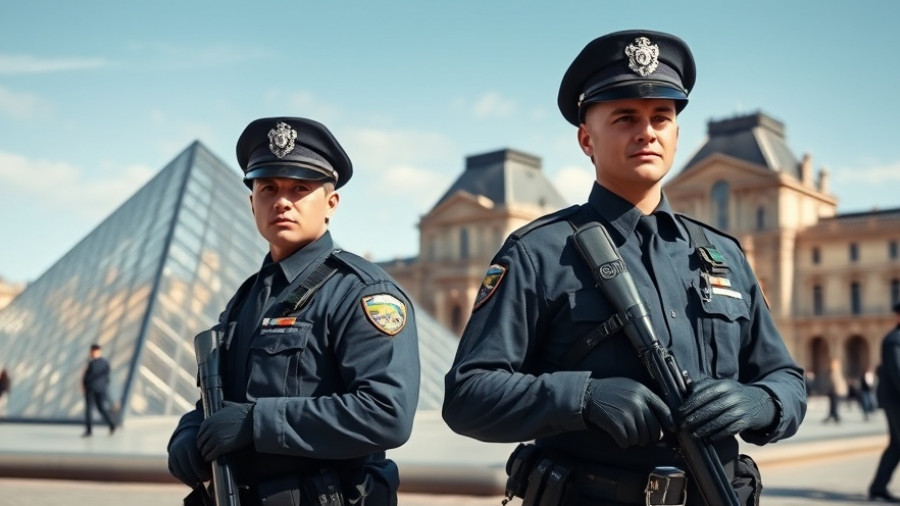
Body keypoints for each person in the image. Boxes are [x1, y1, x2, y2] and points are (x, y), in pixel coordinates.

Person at [443, 30, 807, 506]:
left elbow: (787, 378)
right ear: (586, 139)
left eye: (662, 116)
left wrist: (761, 403)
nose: (647, 131)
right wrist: (582, 399)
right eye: (625, 117)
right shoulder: (538, 253)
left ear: (676, 133)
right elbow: (469, 396)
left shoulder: (724, 253)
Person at [166, 117, 420, 505]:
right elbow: (223, 398)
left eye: (300, 188)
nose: (281, 201)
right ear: (253, 203)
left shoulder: (361, 292)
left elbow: (387, 413)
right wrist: (190, 429)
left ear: (331, 204)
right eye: (268, 188)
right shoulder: (247, 296)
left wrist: (257, 423)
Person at [868, 302, 900, 502]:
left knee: (897, 445)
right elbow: (898, 374)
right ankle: (878, 487)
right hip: (896, 400)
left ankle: (878, 487)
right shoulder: (893, 341)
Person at [81, 344, 116, 437]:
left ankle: (89, 431)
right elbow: (107, 378)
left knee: (90, 410)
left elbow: (87, 376)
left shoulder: (92, 363)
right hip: (100, 389)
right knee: (100, 408)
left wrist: (85, 385)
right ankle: (111, 424)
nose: (92, 353)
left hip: (92, 389)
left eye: (93, 351)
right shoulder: (104, 363)